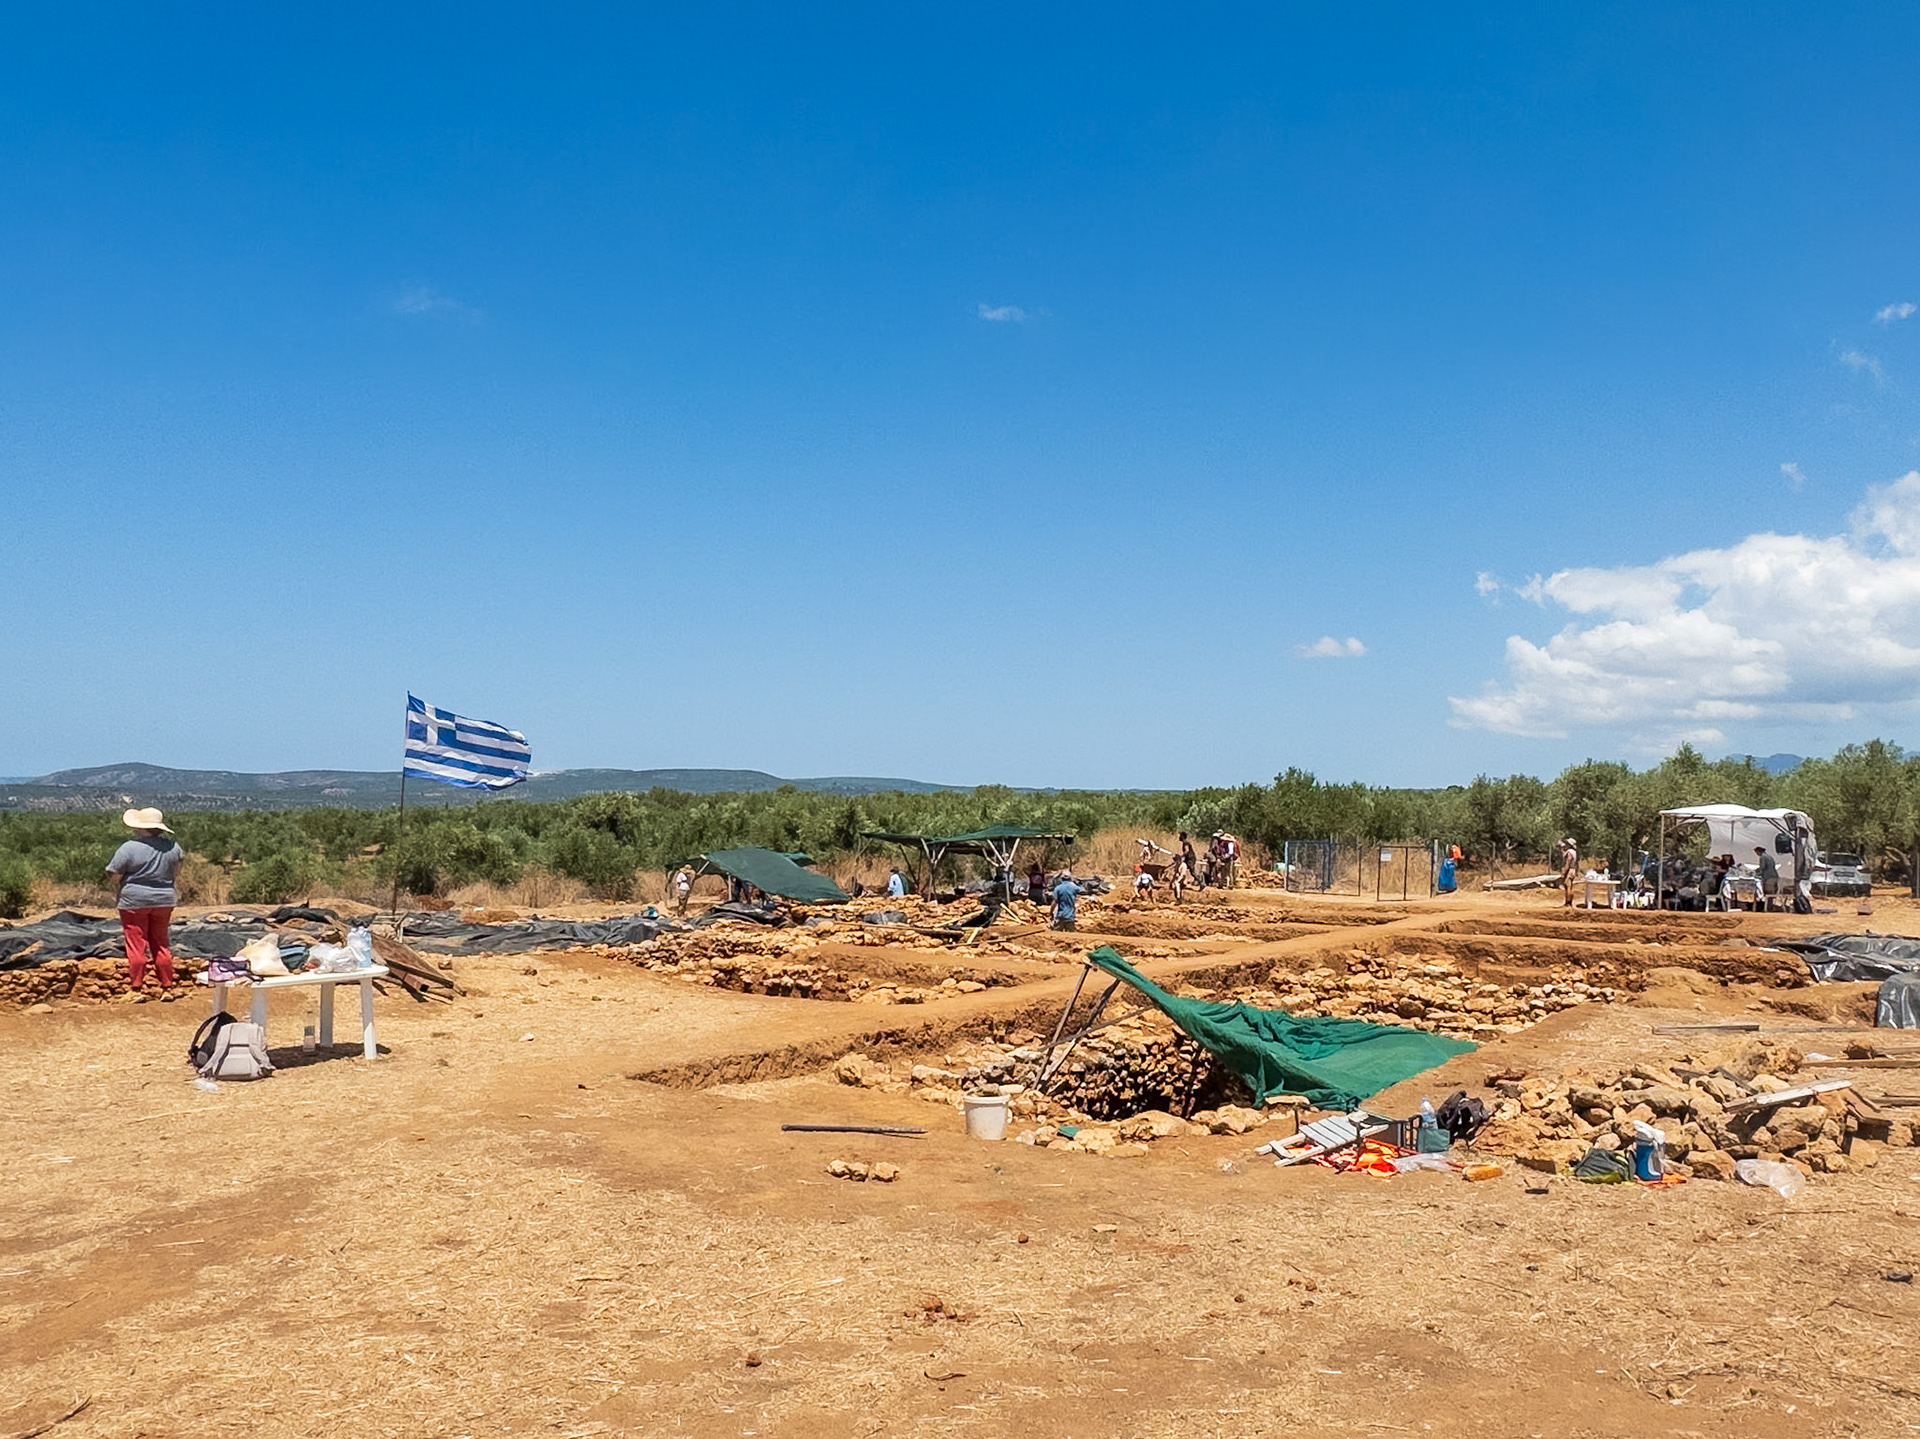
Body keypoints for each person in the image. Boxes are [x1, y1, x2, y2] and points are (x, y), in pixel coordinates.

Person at [106, 807, 184, 1000]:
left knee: (136, 944)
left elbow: (114, 873)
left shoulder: (129, 848)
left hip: (134, 901)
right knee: (160, 943)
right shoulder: (173, 847)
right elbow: (177, 871)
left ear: (140, 828)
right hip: (164, 899)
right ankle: (167, 987)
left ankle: (136, 989)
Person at [1559, 837, 1578, 907]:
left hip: (1569, 870)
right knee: (1571, 886)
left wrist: (1564, 871)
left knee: (1567, 886)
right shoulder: (1574, 852)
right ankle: (1570, 902)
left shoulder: (1569, 852)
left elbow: (1568, 862)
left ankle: (1567, 903)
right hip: (1573, 870)